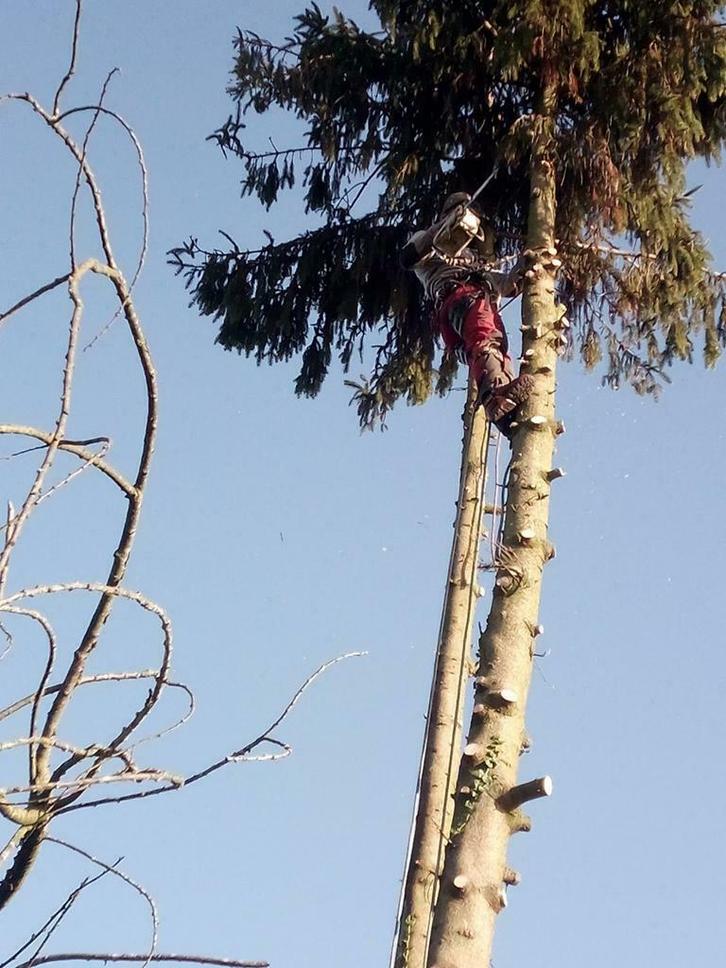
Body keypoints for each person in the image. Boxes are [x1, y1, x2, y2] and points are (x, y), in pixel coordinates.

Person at [401, 192, 532, 436]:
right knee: (487, 339)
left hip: (469, 307)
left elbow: (509, 285)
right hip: (458, 298)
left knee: (497, 348)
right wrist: (443, 226)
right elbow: (408, 257)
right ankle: (496, 395)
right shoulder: (432, 241)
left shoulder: (473, 261)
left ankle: (506, 416)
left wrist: (525, 262)